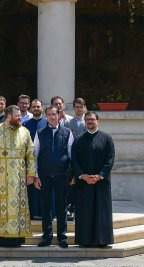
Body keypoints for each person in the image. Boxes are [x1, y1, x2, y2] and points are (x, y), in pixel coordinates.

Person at [0, 105, 35, 247]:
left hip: (19, 177)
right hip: (0, 176)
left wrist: (31, 174)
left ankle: (17, 237)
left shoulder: (25, 132)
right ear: (9, 116)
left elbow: (31, 154)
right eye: (17, 115)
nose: (20, 118)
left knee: (18, 206)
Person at [71, 112, 115, 248]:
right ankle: (84, 240)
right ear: (84, 122)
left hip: (101, 183)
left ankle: (102, 240)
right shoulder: (78, 139)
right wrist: (82, 175)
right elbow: (74, 160)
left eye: (92, 119)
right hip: (83, 183)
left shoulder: (107, 138)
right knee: (85, 212)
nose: (90, 121)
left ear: (98, 121)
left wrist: (100, 175)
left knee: (101, 212)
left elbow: (110, 159)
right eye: (87, 119)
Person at [34, 106, 74, 248]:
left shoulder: (67, 132)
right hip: (44, 175)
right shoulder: (39, 133)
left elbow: (71, 154)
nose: (51, 117)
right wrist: (36, 176)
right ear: (46, 116)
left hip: (61, 175)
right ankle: (47, 237)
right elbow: (35, 155)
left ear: (59, 115)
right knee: (45, 207)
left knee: (61, 207)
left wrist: (72, 175)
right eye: (49, 114)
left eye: (54, 114)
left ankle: (62, 237)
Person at [22, 98, 47, 219]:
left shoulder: (47, 123)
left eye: (38, 106)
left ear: (42, 108)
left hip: (44, 161)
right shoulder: (25, 124)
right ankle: (31, 213)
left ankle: (44, 213)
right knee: (30, 189)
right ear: (31, 108)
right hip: (29, 161)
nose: (36, 109)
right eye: (34, 107)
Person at [64, 97, 87, 219]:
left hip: (85, 159)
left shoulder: (88, 122)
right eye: (77, 107)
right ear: (73, 108)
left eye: (81, 107)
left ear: (84, 107)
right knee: (71, 184)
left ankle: (82, 209)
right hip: (72, 158)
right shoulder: (68, 123)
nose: (79, 109)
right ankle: (70, 208)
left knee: (83, 184)